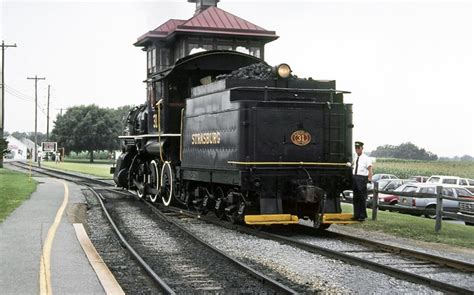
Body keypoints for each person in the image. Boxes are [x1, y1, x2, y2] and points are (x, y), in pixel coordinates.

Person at [352, 141, 373, 221]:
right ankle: (356, 215)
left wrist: (369, 180)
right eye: (356, 148)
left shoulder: (366, 158)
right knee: (355, 198)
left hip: (362, 179)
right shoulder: (355, 157)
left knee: (362, 198)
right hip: (355, 178)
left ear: (362, 148)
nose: (357, 149)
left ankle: (362, 216)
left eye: (358, 148)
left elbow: (370, 170)